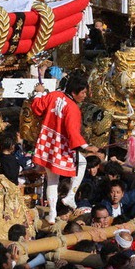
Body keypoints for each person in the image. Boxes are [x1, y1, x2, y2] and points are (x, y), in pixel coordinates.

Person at [31, 71, 100, 224]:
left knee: (52, 180)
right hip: (61, 147)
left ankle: (52, 213)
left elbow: (37, 107)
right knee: (82, 163)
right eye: (82, 92)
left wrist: (38, 93)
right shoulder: (73, 108)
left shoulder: (54, 95)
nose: (84, 96)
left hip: (47, 142)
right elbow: (72, 131)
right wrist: (86, 146)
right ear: (74, 92)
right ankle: (70, 195)